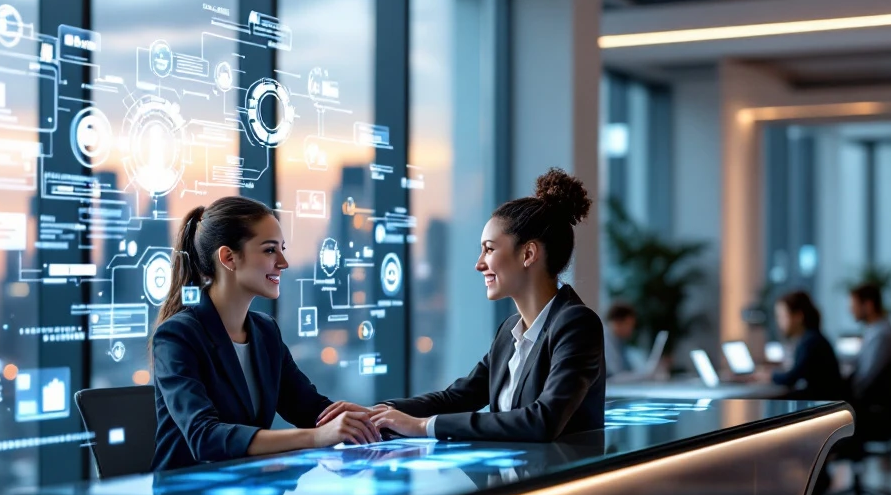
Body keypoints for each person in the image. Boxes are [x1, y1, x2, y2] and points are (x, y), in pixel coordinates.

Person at [319, 168, 605, 442]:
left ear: (528, 253)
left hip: (559, 486)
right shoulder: (510, 331)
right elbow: (459, 397)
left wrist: (421, 427)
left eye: (489, 249)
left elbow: (542, 421)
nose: (479, 264)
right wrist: (378, 412)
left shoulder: (577, 324)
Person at [150, 197, 378, 472]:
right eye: (270, 250)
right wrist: (318, 437)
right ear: (228, 258)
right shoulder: (178, 336)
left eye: (282, 249)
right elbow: (205, 437)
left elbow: (310, 409)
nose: (283, 262)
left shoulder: (265, 331)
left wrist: (374, 420)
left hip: (249, 489)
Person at [771, 290, 844, 400]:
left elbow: (792, 378)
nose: (779, 322)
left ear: (798, 317)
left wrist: (770, 376)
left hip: (822, 405)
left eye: (782, 316)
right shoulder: (812, 338)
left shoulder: (810, 342)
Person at [847, 282, 891, 404]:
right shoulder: (878, 330)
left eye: (854, 305)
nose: (851, 310)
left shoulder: (880, 336)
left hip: (867, 403)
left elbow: (865, 378)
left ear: (868, 305)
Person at [604, 302, 638, 377]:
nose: (631, 329)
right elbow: (614, 376)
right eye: (629, 324)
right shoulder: (604, 342)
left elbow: (628, 369)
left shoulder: (619, 342)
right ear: (618, 322)